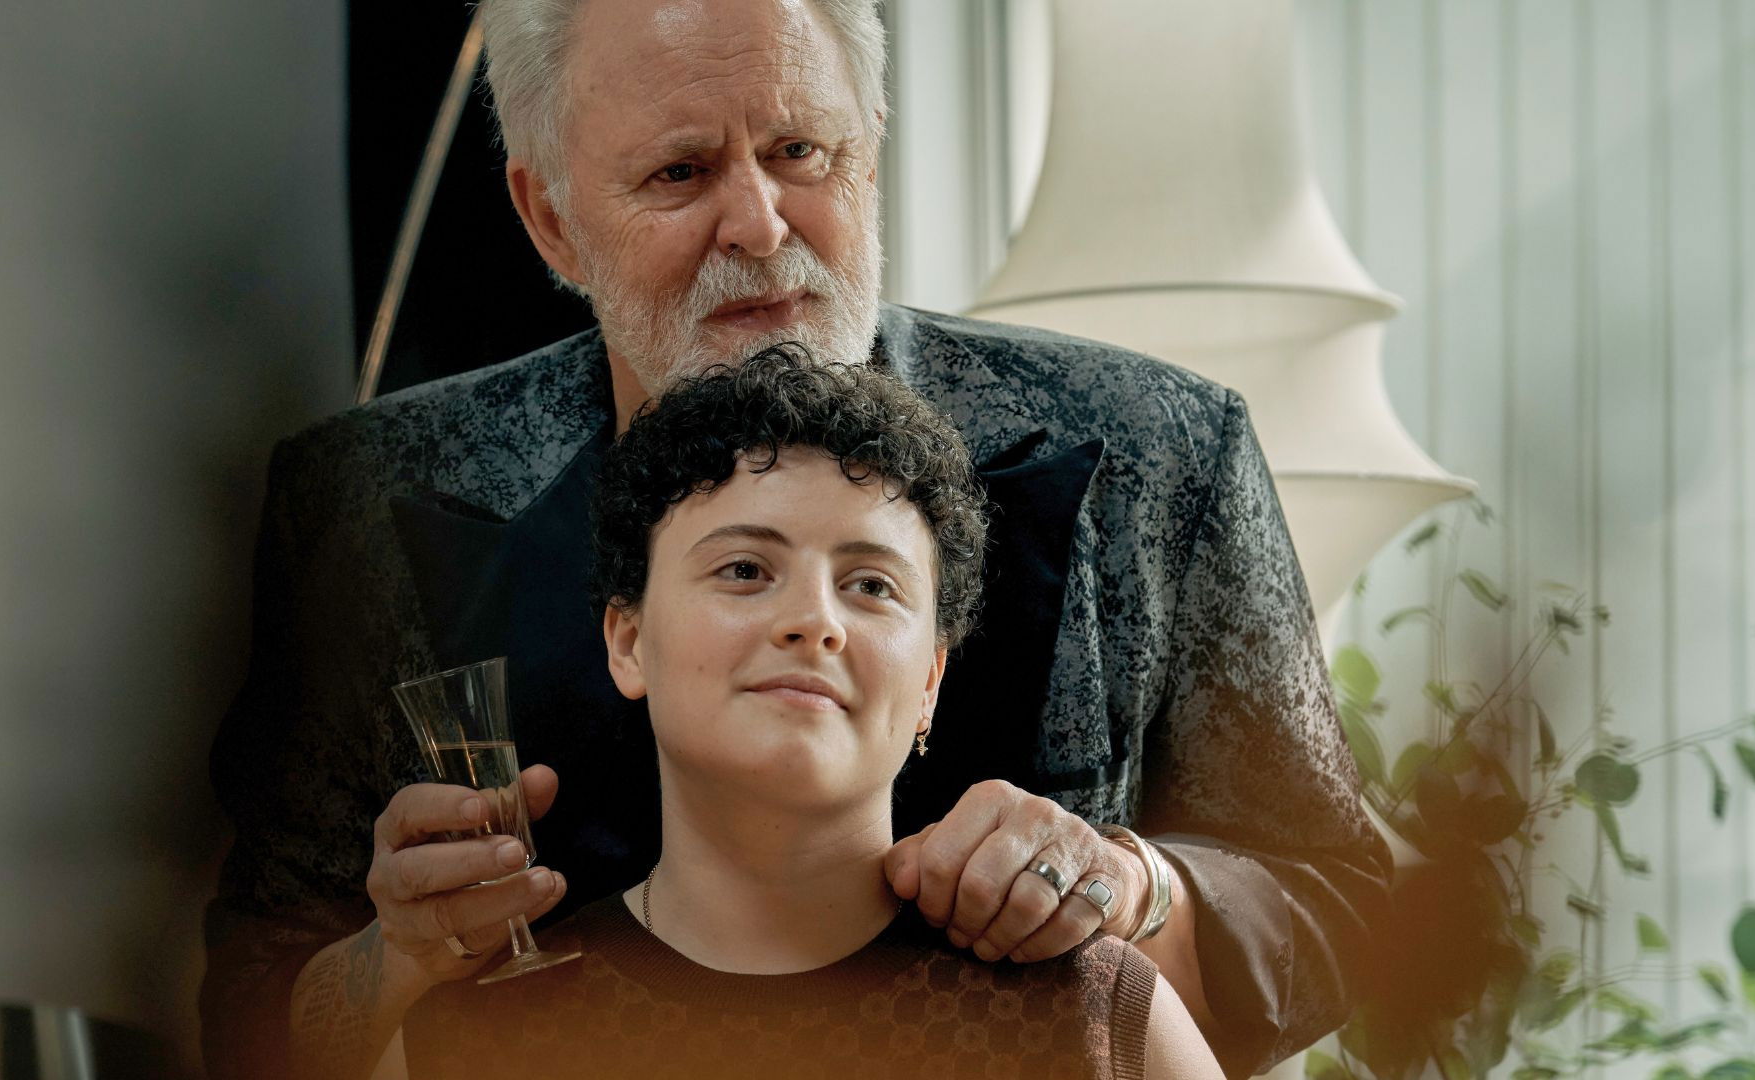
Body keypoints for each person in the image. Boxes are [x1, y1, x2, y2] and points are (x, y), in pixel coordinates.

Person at [201, 1, 1389, 1077]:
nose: (761, 225)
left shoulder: (1160, 445)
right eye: (680, 172)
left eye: (801, 152)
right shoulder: (362, 500)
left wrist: (1131, 886)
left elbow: (1343, 911)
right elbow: (252, 1012)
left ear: (870, 150)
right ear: (551, 218)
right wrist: (394, 958)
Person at [399, 346, 1223, 1079]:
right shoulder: (471, 1041)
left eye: (871, 585)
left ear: (931, 682)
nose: (814, 621)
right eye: (745, 570)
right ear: (630, 641)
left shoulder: (1090, 1015)